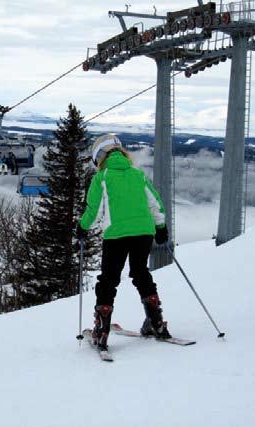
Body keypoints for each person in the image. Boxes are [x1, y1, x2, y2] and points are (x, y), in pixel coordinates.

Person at [76, 134, 170, 351]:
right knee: (141, 273)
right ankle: (156, 323)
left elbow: (93, 210)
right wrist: (161, 228)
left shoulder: (101, 178)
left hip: (116, 234)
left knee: (108, 280)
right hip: (143, 233)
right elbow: (155, 203)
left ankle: (101, 331)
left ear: (99, 156)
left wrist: (82, 228)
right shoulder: (138, 174)